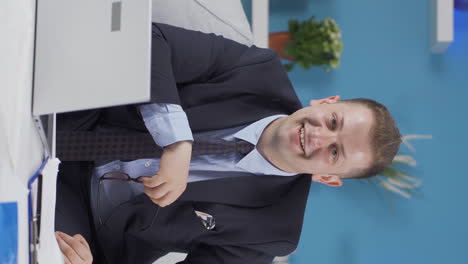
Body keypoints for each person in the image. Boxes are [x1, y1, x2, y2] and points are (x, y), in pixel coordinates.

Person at [54, 23, 401, 264]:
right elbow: (150, 39)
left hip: (84, 231)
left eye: (335, 152)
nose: (319, 136)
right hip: (76, 120)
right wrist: (176, 141)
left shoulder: (273, 233)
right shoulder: (257, 69)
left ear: (328, 178)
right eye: (334, 122)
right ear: (326, 103)